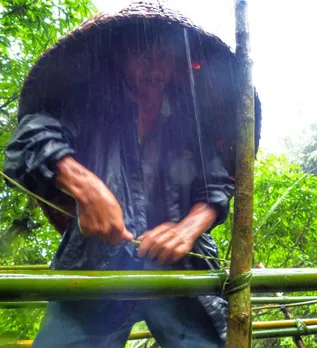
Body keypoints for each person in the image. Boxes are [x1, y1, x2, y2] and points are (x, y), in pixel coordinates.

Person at [3, 2, 261, 347]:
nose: (155, 66)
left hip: (181, 266)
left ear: (175, 63)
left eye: (163, 55)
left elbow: (216, 187)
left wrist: (186, 229)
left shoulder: (189, 116)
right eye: (143, 55)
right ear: (121, 57)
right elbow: (29, 137)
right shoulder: (93, 106)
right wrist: (86, 186)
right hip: (94, 261)